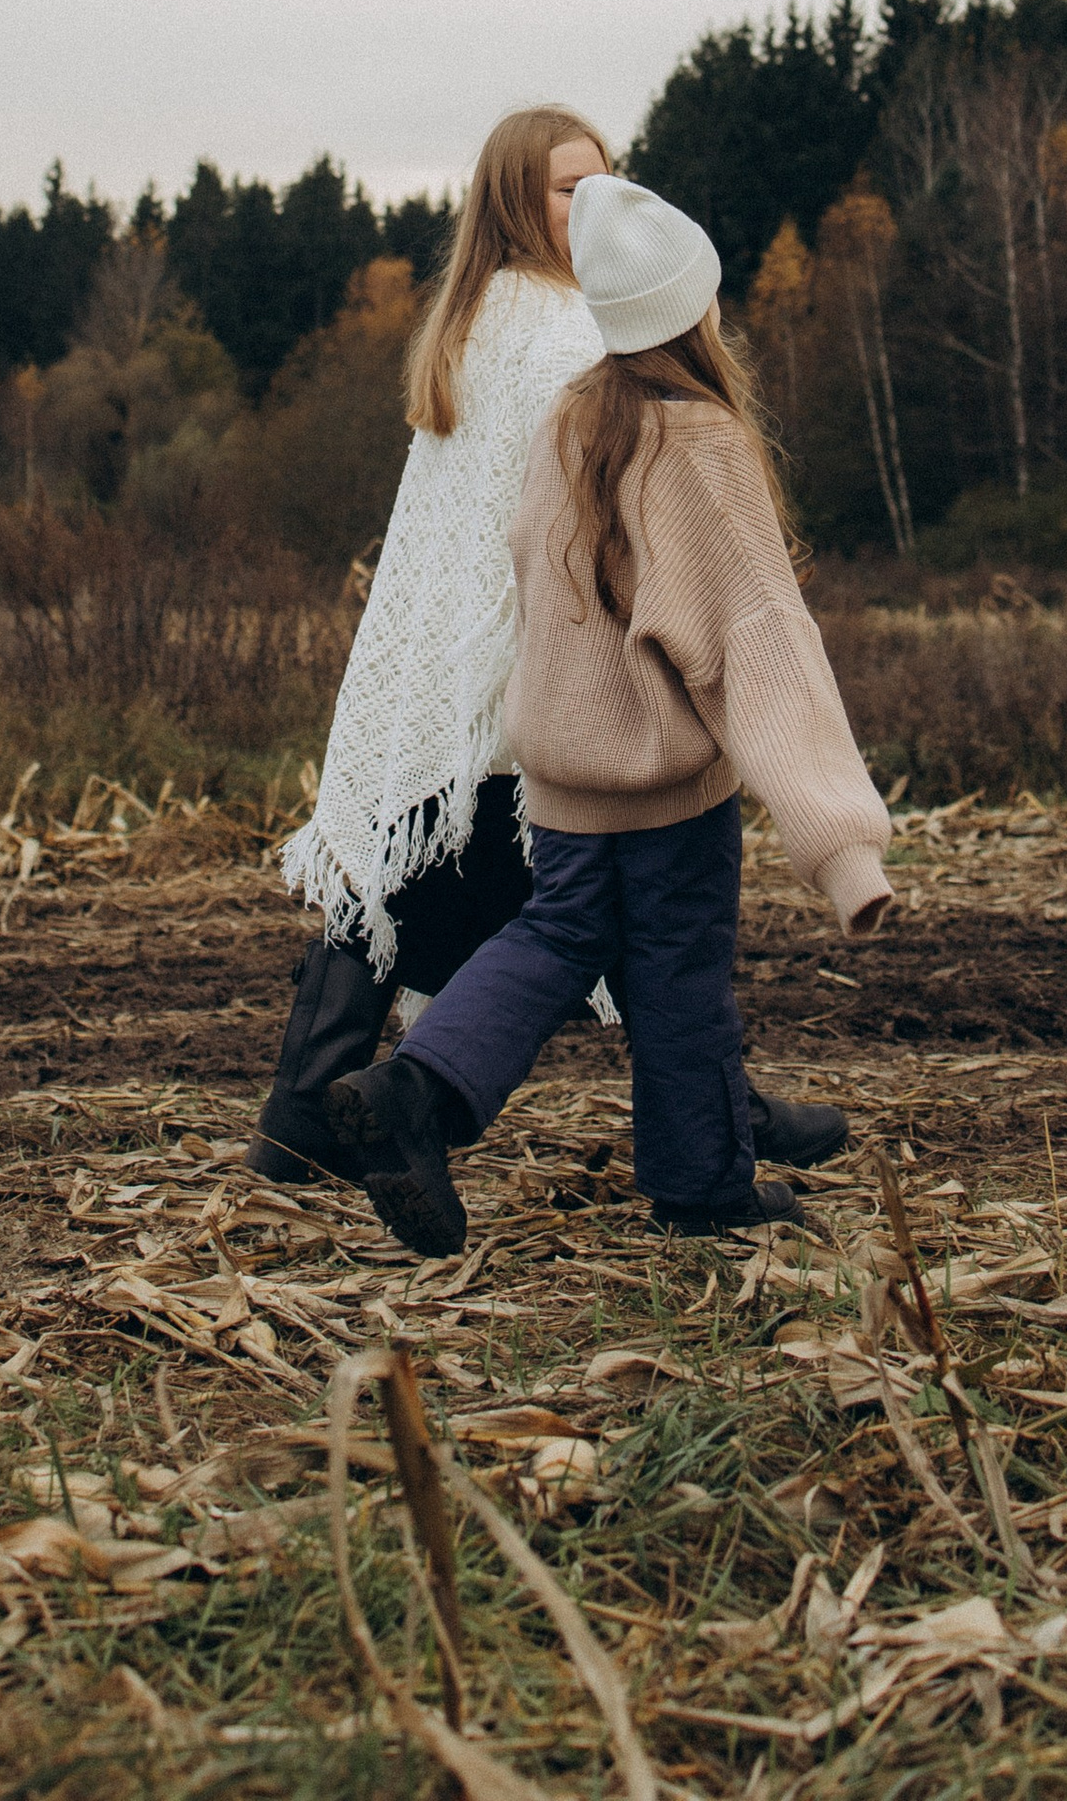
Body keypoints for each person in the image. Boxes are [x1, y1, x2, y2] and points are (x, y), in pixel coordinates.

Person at [327, 175, 894, 1255]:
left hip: (561, 767)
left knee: (558, 932)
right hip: (662, 780)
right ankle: (703, 1187)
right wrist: (840, 842)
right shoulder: (698, 441)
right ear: (691, 308)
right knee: (679, 968)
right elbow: (760, 640)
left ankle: (416, 1091)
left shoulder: (571, 419)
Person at [249, 105, 612, 1181]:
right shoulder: (562, 330)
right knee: (603, 893)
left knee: (405, 884)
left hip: (451, 672)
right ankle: (713, 1117)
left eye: (607, 181)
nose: (596, 204)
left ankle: (302, 1117)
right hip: (509, 668)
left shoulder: (476, 317)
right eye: (570, 188)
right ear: (517, 202)